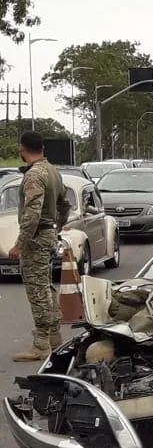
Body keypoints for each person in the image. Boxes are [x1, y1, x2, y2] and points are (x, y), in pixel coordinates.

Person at [8, 131, 71, 362]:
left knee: (37, 290)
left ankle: (41, 343)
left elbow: (32, 214)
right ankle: (54, 337)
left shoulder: (34, 175)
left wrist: (20, 244)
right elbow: (65, 205)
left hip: (36, 237)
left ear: (22, 150)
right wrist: (57, 228)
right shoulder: (53, 171)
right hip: (48, 234)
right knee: (45, 287)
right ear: (43, 148)